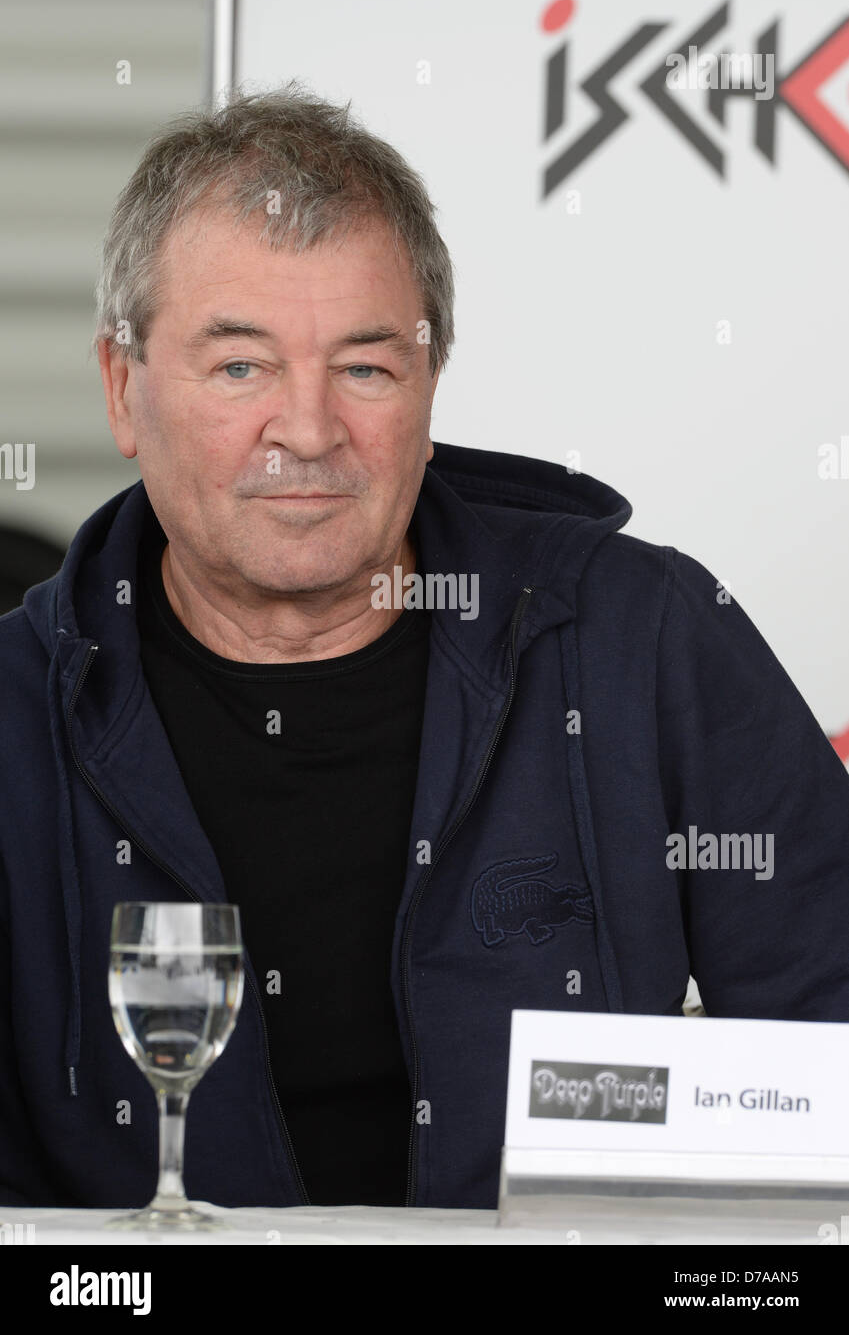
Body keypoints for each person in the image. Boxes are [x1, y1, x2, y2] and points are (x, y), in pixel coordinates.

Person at [1, 84, 847, 1212]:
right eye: (240, 366)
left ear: (429, 384)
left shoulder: (638, 640)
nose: (308, 431)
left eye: (366, 368)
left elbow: (830, 1048)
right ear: (123, 388)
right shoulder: (13, 714)